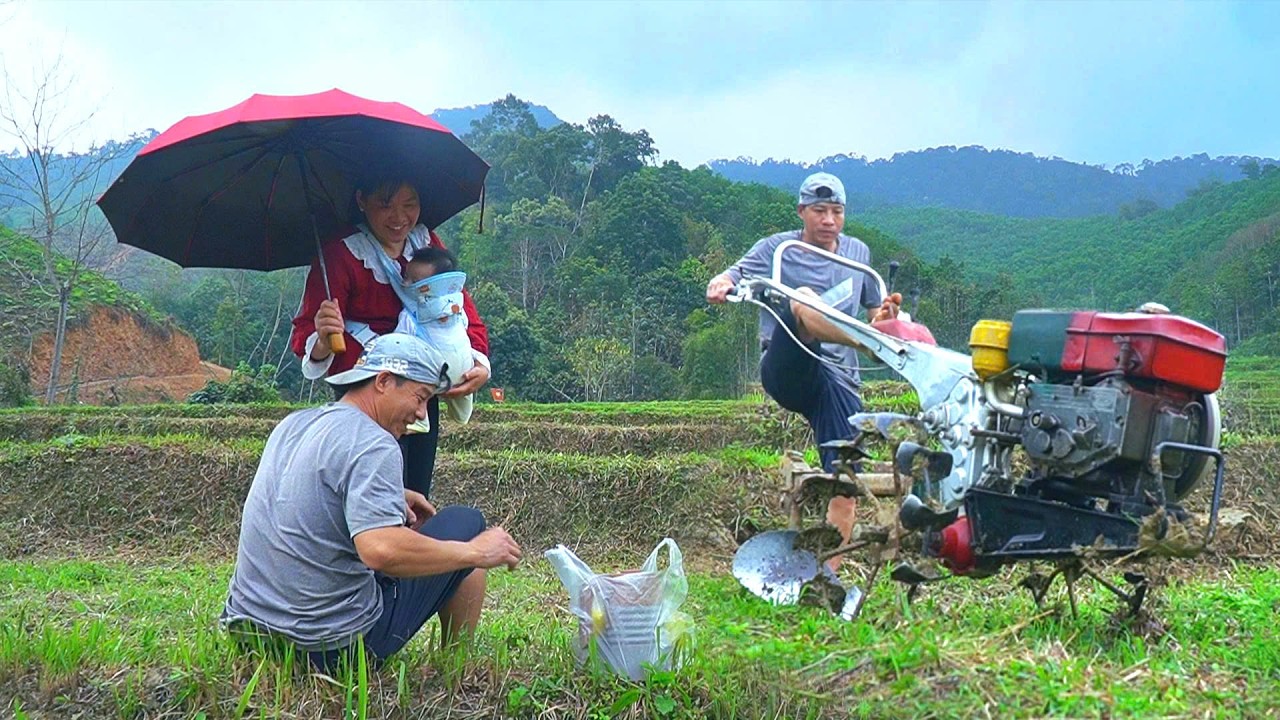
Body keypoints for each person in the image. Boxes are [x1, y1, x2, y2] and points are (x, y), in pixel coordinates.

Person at [221, 333, 523, 671]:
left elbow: (310, 490)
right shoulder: (374, 442)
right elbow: (380, 551)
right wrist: (478, 552)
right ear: (383, 381)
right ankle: (455, 663)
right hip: (328, 648)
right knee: (465, 523)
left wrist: (391, 494)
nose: (421, 415)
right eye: (420, 398)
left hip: (250, 636)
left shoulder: (294, 424)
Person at [290, 173, 490, 499]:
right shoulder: (341, 256)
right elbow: (306, 333)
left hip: (420, 391)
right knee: (373, 493)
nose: (399, 218)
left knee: (415, 491)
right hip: (369, 397)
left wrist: (478, 363)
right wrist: (324, 340)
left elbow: (459, 307)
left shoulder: (426, 245)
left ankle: (409, 547)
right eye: (385, 205)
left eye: (409, 205)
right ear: (361, 201)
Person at [707, 172, 899, 473]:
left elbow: (875, 313)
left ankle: (839, 516)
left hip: (839, 379)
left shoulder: (857, 253)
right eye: (819, 211)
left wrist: (885, 320)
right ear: (801, 212)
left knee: (846, 477)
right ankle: (865, 342)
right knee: (803, 299)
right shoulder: (778, 249)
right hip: (789, 367)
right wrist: (720, 284)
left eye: (836, 212)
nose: (828, 220)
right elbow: (731, 275)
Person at [395, 246, 476, 427]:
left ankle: (420, 420)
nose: (406, 284)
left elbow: (398, 343)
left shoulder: (410, 317)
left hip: (442, 374)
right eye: (406, 277)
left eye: (414, 281)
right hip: (459, 371)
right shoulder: (457, 311)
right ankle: (456, 414)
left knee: (413, 384)